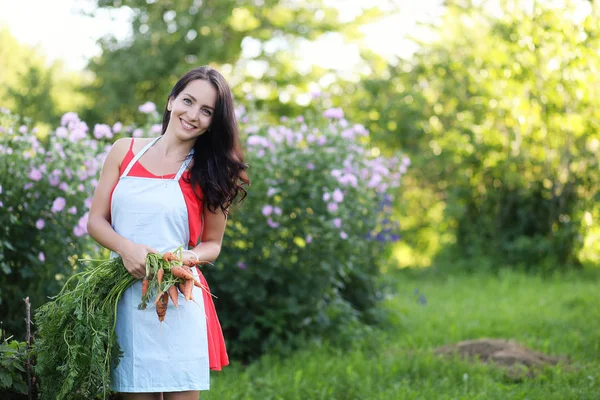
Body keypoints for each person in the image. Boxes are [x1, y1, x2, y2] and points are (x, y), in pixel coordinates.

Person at [87, 66, 249, 399]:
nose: (193, 115)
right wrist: (126, 249)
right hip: (125, 299)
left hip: (179, 297)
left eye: (206, 111)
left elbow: (212, 244)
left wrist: (187, 257)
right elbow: (96, 221)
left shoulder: (210, 170)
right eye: (188, 101)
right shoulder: (124, 152)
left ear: (213, 122)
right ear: (171, 100)